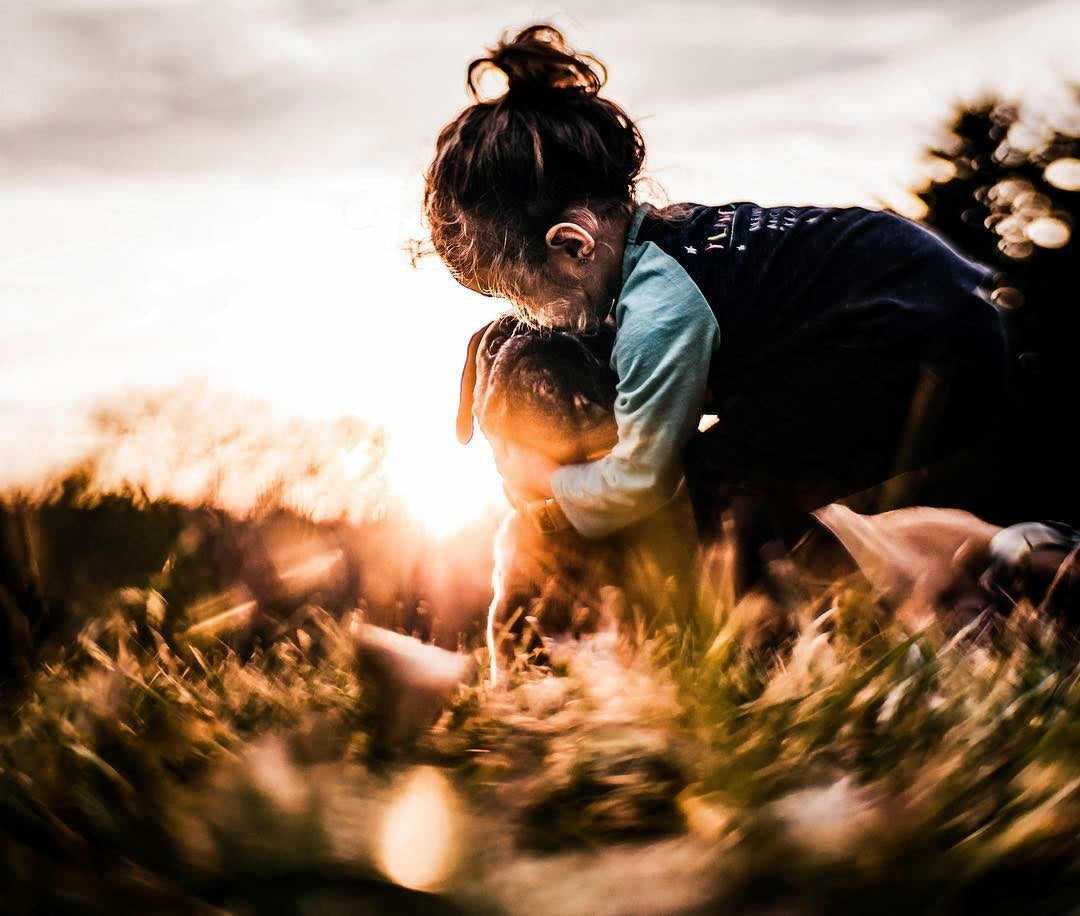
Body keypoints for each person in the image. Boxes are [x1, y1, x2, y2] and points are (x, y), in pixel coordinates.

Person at [423, 24, 1013, 579]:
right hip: (937, 311)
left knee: (723, 481)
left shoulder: (660, 306)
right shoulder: (677, 244)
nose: (537, 320)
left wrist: (552, 479)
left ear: (572, 245)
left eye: (525, 297)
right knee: (759, 476)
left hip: (916, 338)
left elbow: (640, 482)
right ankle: (871, 608)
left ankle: (775, 646)